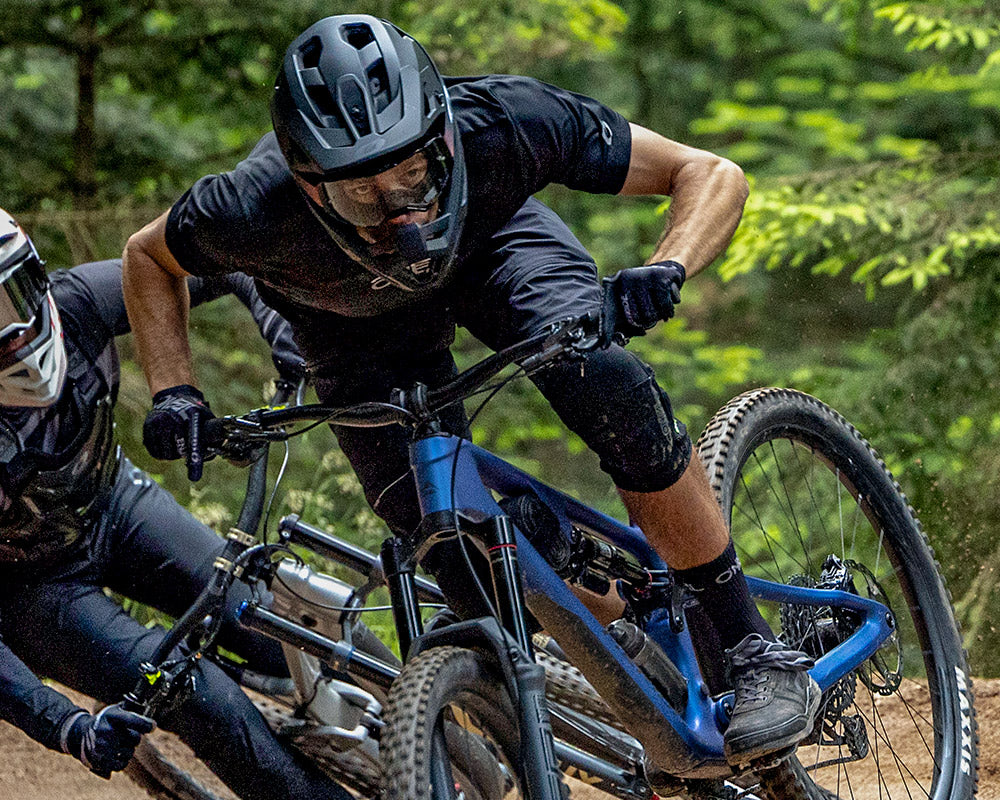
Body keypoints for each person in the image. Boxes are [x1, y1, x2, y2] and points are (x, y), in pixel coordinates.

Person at [122, 14, 820, 766]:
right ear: (306, 182)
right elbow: (147, 258)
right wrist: (175, 392)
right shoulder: (246, 207)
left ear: (443, 136)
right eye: (363, 192)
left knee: (604, 383)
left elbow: (710, 173)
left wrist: (668, 265)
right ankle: (629, 616)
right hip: (350, 330)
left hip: (499, 253)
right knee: (455, 557)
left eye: (414, 172)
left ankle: (753, 648)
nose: (400, 209)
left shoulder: (506, 120)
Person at [0, 210, 353, 800]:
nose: (10, 335)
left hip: (115, 502)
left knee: (275, 622)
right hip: (33, 591)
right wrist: (65, 726)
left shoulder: (78, 301)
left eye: (7, 301)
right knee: (203, 698)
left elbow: (214, 256)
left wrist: (276, 316)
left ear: (33, 277)